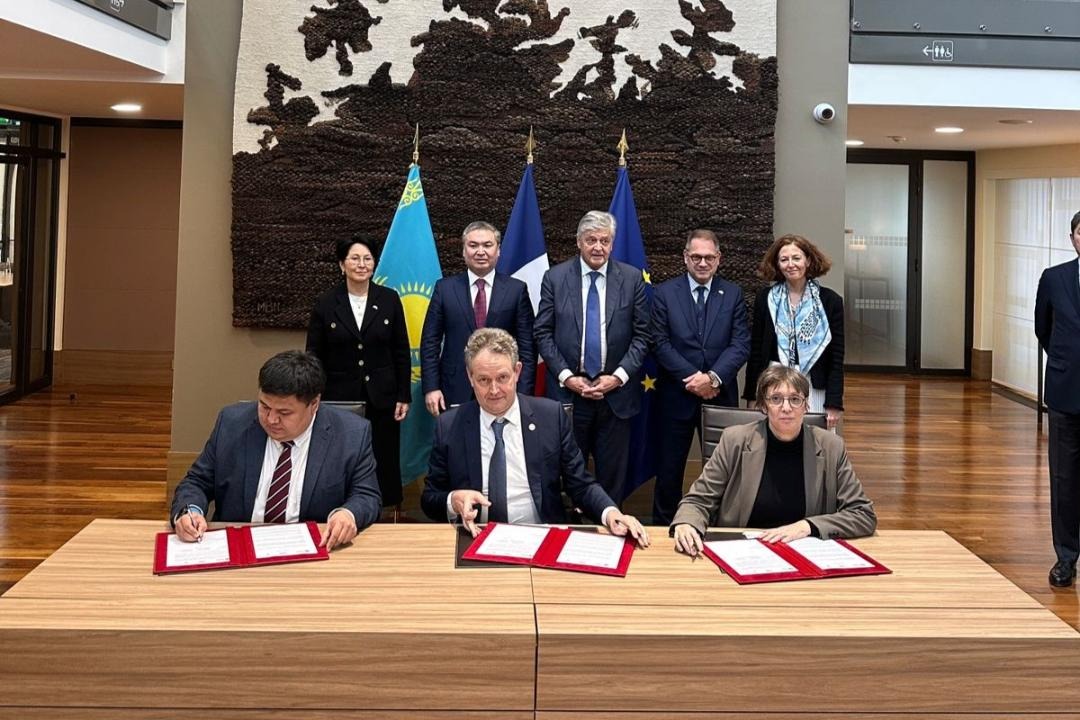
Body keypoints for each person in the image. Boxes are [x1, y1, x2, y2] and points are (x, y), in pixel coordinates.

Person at [422, 328, 649, 546]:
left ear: (517, 371)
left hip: (543, 536)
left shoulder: (550, 417)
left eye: (502, 377)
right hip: (476, 538)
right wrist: (453, 500)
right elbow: (430, 499)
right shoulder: (449, 426)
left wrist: (611, 513)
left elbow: (580, 484)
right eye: (483, 380)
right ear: (470, 377)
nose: (494, 390)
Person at [171, 350, 381, 550]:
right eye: (264, 407)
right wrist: (189, 511)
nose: (271, 419)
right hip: (238, 547)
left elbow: (366, 495)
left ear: (314, 404)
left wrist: (348, 514)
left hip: (315, 549)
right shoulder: (232, 424)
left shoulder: (351, 434)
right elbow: (197, 482)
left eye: (284, 412)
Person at [672, 364, 876, 556]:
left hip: (804, 552)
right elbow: (697, 501)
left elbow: (863, 514)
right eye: (776, 399)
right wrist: (687, 523)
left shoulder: (831, 447)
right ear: (763, 406)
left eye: (795, 399)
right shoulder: (734, 440)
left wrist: (808, 526)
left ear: (806, 405)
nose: (786, 407)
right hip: (743, 551)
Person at [534, 210, 650, 504]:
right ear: (579, 242)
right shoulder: (555, 278)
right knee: (566, 475)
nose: (598, 247)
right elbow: (542, 333)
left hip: (616, 399)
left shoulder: (632, 279)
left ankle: (611, 526)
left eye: (604, 241)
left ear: (612, 243)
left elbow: (642, 336)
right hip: (569, 397)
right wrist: (567, 377)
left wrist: (618, 378)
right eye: (591, 240)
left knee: (612, 480)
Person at [651, 229, 750, 525]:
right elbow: (659, 343)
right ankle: (664, 528)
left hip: (720, 397)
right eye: (696, 257)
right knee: (669, 470)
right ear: (685, 258)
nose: (703, 263)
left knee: (723, 469)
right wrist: (695, 378)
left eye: (708, 257)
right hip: (675, 397)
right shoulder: (664, 293)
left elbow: (740, 343)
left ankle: (719, 526)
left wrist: (713, 378)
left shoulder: (732, 294)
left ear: (719, 258)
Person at [306, 238, 411, 507]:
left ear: (374, 264)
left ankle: (386, 512)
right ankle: (344, 508)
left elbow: (401, 350)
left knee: (384, 456)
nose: (361, 264)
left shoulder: (389, 299)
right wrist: (314, 395)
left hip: (383, 397)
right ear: (342, 265)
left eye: (367, 258)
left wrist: (403, 395)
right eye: (354, 258)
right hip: (339, 396)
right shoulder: (326, 303)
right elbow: (314, 355)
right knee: (342, 455)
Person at [421, 221, 535, 415]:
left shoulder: (516, 290)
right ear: (464, 251)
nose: (480, 252)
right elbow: (430, 342)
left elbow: (528, 347)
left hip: (501, 388)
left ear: (498, 250)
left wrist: (522, 392)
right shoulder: (444, 289)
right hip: (453, 387)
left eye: (487, 245)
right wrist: (431, 387)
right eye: (473, 245)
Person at [743, 234, 845, 429]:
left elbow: (836, 357)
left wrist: (834, 403)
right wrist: (752, 396)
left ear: (808, 260)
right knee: (772, 440)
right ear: (777, 264)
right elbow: (756, 351)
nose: (791, 264)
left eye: (796, 258)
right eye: (784, 259)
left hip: (814, 385)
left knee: (815, 442)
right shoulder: (765, 299)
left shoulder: (830, 301)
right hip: (773, 381)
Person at [1035, 209, 1080, 588]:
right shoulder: (1054, 278)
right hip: (1065, 395)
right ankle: (1066, 557)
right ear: (1072, 238)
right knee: (1064, 480)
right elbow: (1043, 329)